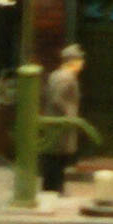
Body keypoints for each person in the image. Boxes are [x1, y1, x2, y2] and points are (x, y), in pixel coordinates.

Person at [41, 43, 84, 194]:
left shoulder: (56, 75)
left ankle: (54, 188)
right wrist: (69, 114)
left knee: (56, 158)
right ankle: (54, 189)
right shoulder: (66, 77)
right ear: (72, 61)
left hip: (56, 123)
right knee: (57, 159)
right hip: (60, 124)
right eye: (79, 60)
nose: (81, 64)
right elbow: (57, 98)